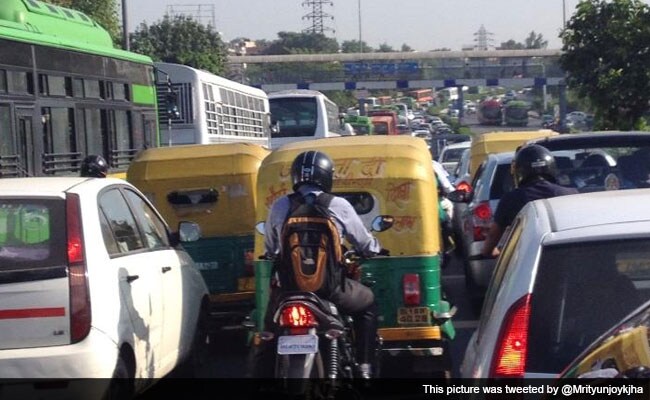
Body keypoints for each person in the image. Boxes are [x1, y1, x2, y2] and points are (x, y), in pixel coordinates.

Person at [263, 150, 383, 379]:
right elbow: (365, 244)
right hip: (330, 290)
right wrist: (373, 249)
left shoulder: (280, 206)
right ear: (327, 176)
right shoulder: (339, 205)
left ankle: (262, 376)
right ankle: (365, 365)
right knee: (368, 303)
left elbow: (269, 249)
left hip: (289, 291)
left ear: (295, 177)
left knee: (268, 330)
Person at [481, 144, 578, 258]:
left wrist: (492, 252)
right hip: (568, 257)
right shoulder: (571, 194)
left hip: (526, 259)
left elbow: (492, 237)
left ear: (519, 171)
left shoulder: (511, 199)